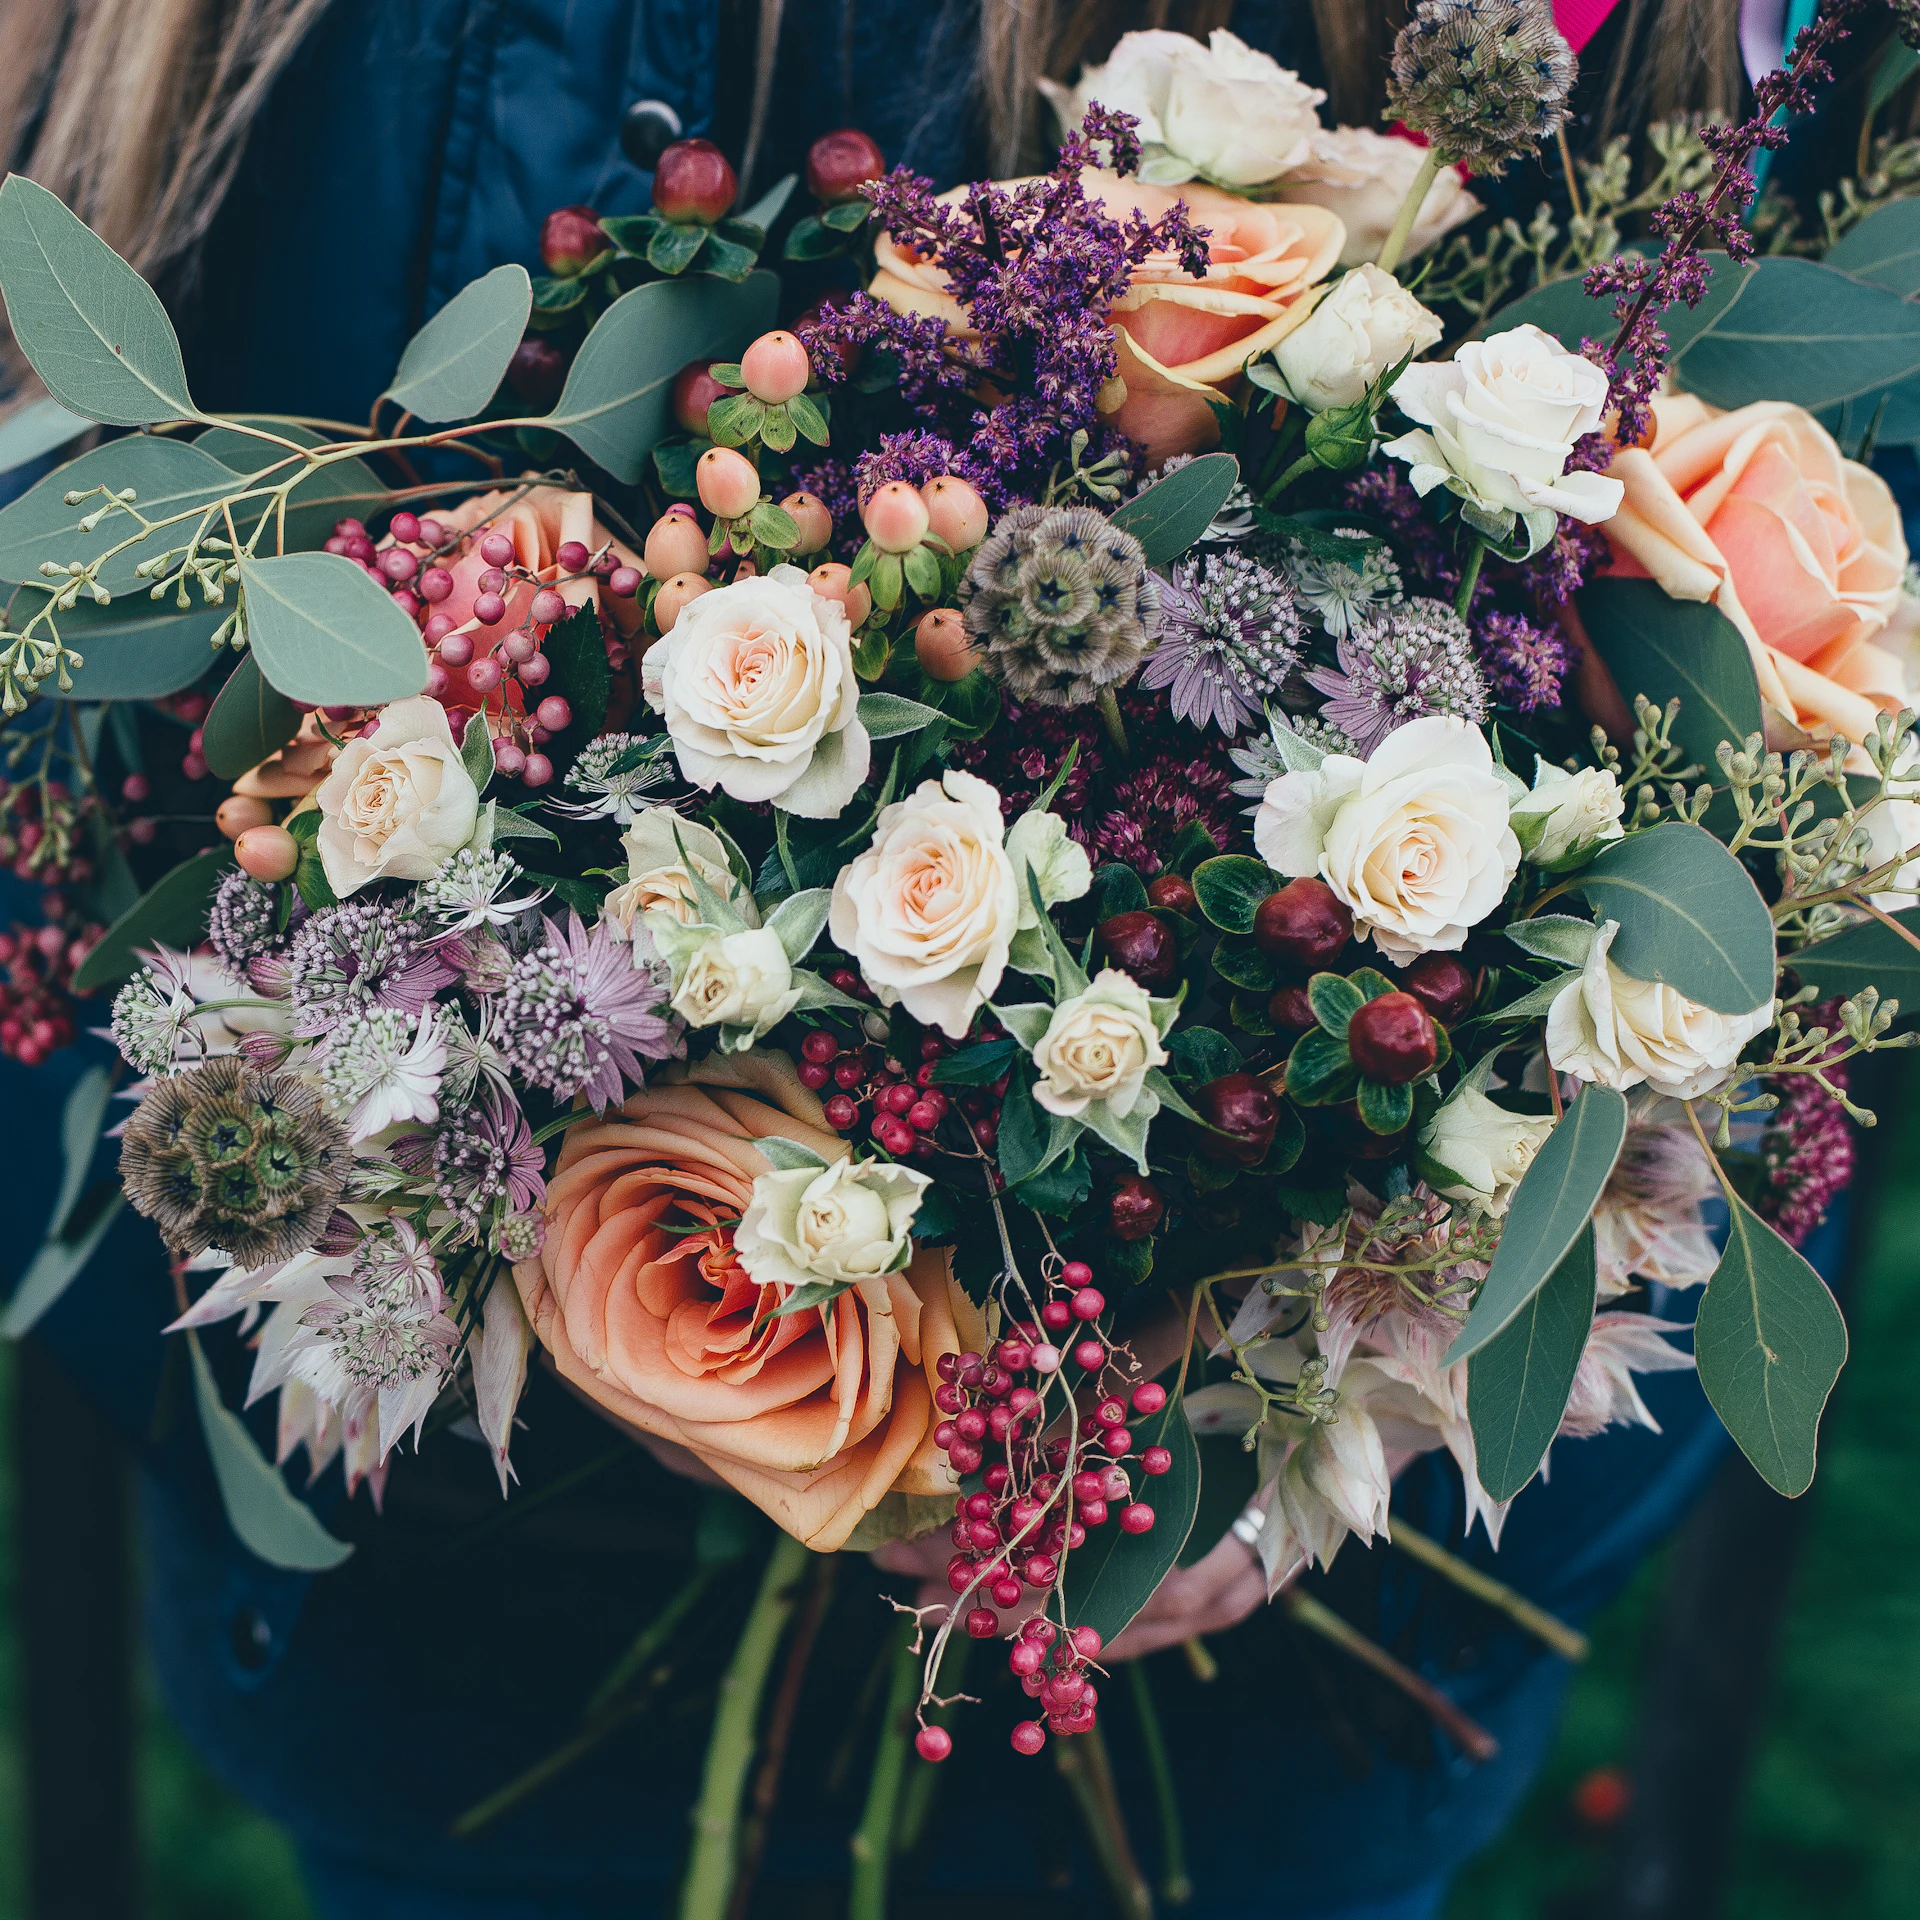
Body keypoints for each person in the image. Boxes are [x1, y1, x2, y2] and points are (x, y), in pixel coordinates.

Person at [0, 3, 1859, 1916]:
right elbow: (48, 640)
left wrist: (1328, 1364)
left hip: (1239, 1700)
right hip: (445, 1640)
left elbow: (1767, 811)